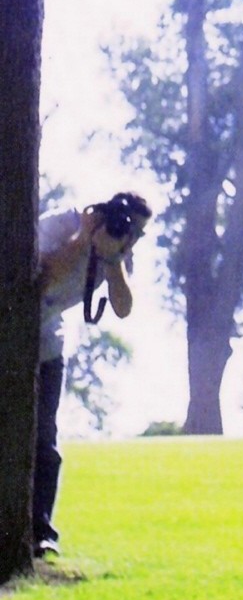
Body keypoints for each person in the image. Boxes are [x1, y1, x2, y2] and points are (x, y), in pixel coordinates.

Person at [35, 191, 152, 556]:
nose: (131, 237)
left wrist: (113, 258)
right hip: (14, 333)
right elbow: (38, 280)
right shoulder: (62, 224)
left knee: (45, 442)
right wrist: (83, 239)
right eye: (130, 228)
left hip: (47, 344)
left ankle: (40, 533)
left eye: (138, 234)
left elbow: (123, 308)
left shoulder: (119, 251)